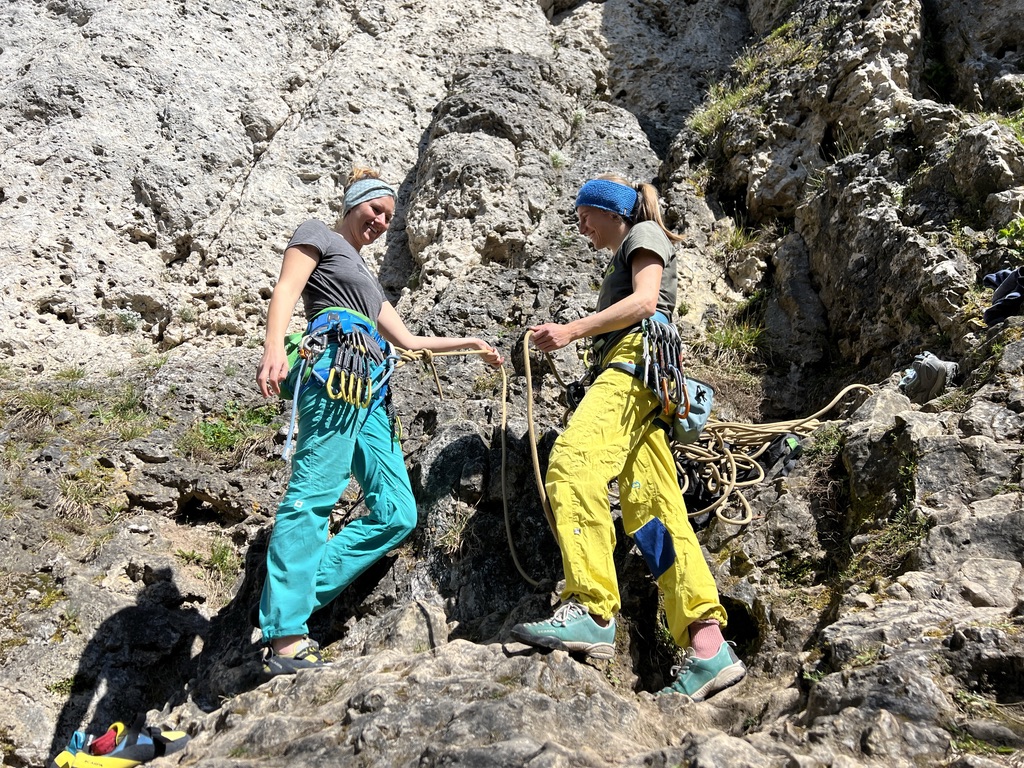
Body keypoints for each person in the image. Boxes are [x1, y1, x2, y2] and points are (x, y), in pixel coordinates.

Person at [256, 166, 503, 676]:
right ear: (353, 203)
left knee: (397, 513)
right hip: (334, 370)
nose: (381, 221)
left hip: (372, 386)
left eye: (389, 217)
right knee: (316, 492)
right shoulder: (316, 234)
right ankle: (285, 634)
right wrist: (274, 349)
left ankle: (291, 598)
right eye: (376, 210)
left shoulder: (368, 281)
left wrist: (470, 344)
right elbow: (285, 290)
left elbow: (408, 341)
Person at [510, 175, 746, 700]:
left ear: (609, 210)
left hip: (632, 368)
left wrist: (571, 330)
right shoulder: (633, 239)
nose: (581, 227)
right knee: (656, 515)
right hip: (650, 385)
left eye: (583, 215)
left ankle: (592, 607)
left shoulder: (643, 236)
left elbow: (644, 302)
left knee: (572, 465)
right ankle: (709, 647)